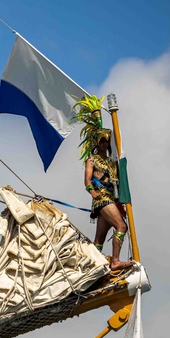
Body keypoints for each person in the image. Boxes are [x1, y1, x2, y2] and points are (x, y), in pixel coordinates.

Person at [74, 96, 131, 271]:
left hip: (111, 199)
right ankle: (115, 261)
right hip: (101, 199)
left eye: (107, 141)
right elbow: (87, 180)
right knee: (121, 226)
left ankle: (92, 266)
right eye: (102, 141)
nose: (105, 144)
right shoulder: (92, 160)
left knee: (99, 238)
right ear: (97, 143)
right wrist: (92, 191)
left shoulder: (112, 163)